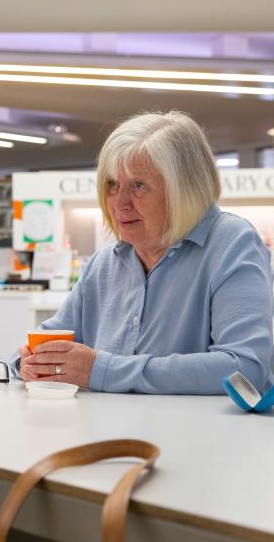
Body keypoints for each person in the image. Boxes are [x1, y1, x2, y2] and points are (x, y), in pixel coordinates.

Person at [14, 111, 273, 394]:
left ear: (183, 190)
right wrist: (31, 362)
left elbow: (244, 370)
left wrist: (102, 371)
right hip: (107, 431)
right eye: (112, 184)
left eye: (138, 185)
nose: (120, 203)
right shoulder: (106, 262)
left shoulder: (231, 243)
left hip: (197, 436)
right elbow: (48, 341)